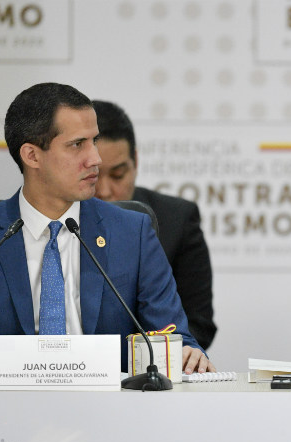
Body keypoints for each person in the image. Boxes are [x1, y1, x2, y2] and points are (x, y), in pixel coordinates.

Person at [0, 82, 214, 375]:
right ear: (32, 155)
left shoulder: (132, 233)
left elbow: (173, 337)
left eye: (93, 141)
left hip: (112, 413)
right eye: (77, 145)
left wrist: (185, 353)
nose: (95, 159)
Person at [91, 100, 217, 350]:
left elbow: (199, 323)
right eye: (94, 175)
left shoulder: (177, 218)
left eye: (117, 175)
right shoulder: (55, 219)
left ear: (135, 161)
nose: (104, 190)